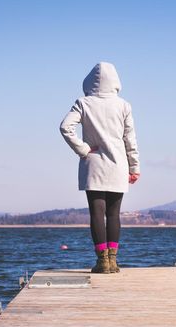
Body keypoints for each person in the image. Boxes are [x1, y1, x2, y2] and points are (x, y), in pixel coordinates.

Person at [59, 62, 140, 274]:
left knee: (97, 212)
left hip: (93, 163)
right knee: (114, 214)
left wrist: (83, 149)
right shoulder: (124, 105)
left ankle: (102, 261)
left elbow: (65, 127)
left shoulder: (83, 103)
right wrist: (134, 166)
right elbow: (129, 139)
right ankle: (113, 261)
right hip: (118, 164)